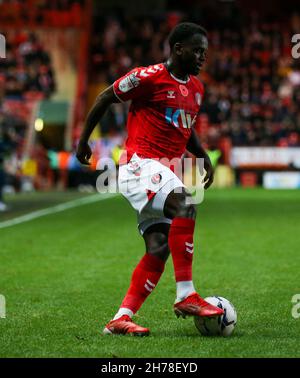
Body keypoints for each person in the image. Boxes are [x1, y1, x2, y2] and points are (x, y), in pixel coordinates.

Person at [76, 22, 224, 336]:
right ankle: (186, 294)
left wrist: (202, 156)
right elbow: (105, 96)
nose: (202, 57)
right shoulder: (149, 77)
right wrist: (83, 140)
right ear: (178, 48)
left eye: (205, 52)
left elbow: (188, 127)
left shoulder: (196, 88)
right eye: (197, 50)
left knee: (159, 246)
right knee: (186, 203)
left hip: (162, 170)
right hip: (137, 164)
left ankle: (120, 318)